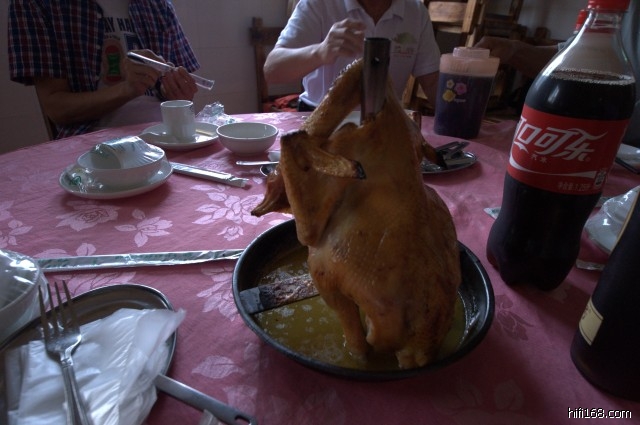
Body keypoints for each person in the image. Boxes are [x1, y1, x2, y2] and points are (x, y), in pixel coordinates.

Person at [8, 0, 201, 140]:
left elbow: (183, 95)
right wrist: (127, 89)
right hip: (93, 148)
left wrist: (177, 91)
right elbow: (56, 108)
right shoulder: (36, 4)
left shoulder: (158, 5)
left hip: (168, 136)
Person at [475, 0, 639, 147]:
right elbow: (572, 60)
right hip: (580, 141)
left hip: (612, 147)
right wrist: (514, 51)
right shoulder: (619, 8)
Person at [263, 0, 441, 111]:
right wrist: (321, 51)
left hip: (385, 124)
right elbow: (272, 70)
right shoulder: (317, 4)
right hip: (318, 117)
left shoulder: (416, 11)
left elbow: (432, 82)